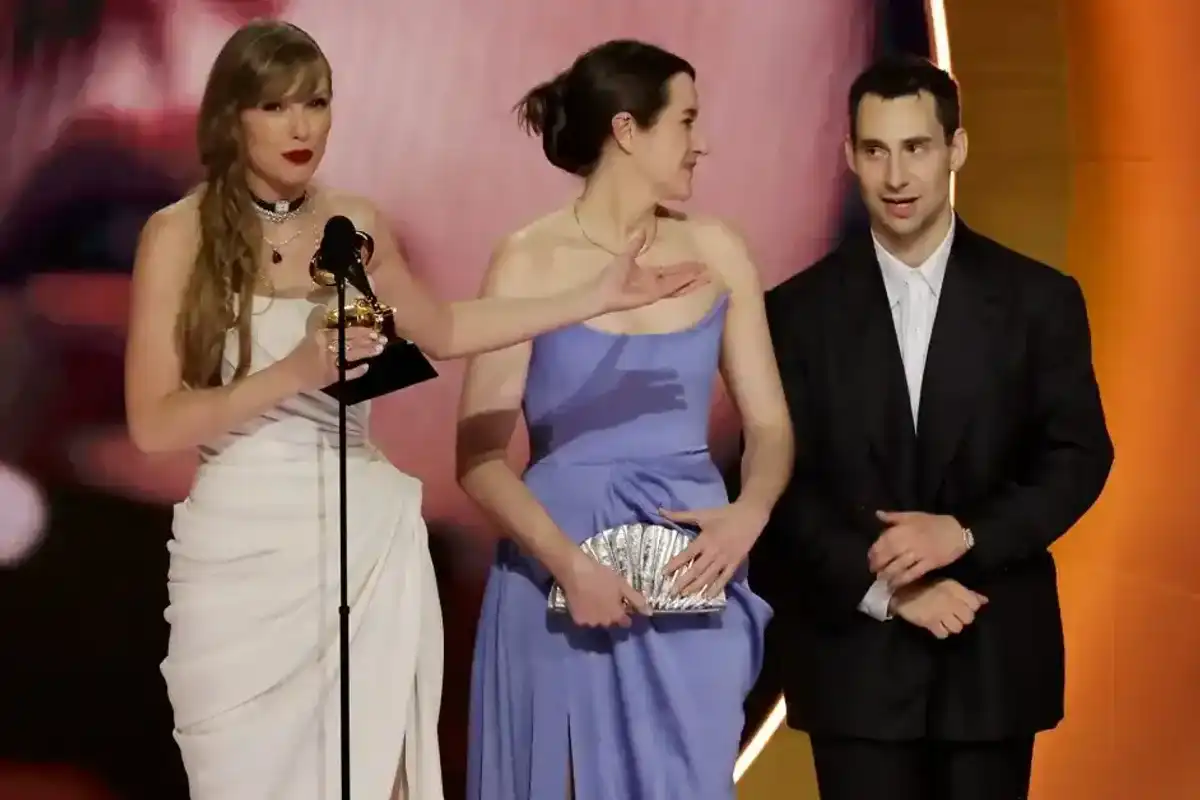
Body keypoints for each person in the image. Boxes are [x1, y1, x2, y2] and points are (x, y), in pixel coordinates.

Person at [124, 21, 708, 800]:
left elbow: (448, 330)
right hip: (240, 555)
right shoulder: (176, 235)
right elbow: (154, 423)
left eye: (317, 104)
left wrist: (590, 297)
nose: (302, 128)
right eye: (276, 107)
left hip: (362, 540)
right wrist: (294, 373)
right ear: (232, 116)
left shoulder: (355, 226)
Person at [758, 55, 1114, 800]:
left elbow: (1078, 456)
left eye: (916, 147)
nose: (896, 176)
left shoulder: (1039, 300)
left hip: (990, 657)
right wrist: (887, 589)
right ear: (848, 155)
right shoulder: (792, 314)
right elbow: (776, 488)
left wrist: (966, 535)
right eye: (875, 150)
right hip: (852, 666)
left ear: (956, 148)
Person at [455, 40, 792, 800]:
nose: (702, 143)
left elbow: (770, 426)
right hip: (559, 572)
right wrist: (570, 566)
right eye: (687, 121)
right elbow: (478, 457)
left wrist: (750, 513)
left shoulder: (719, 251)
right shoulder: (527, 260)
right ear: (628, 130)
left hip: (689, 568)